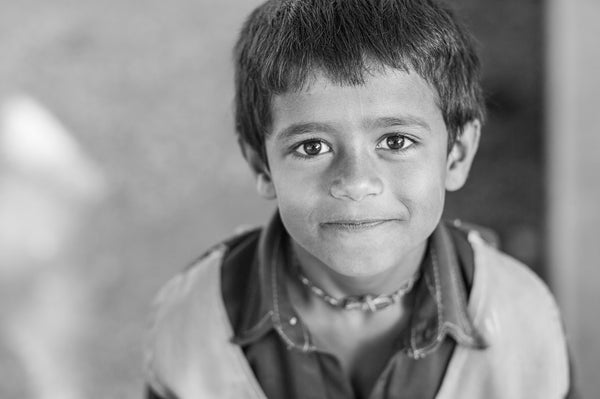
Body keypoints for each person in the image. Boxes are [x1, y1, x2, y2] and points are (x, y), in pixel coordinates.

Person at [144, 0, 575, 398]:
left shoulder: (523, 318)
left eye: (395, 140)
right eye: (312, 147)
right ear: (261, 166)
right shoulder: (193, 319)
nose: (356, 182)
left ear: (456, 154)